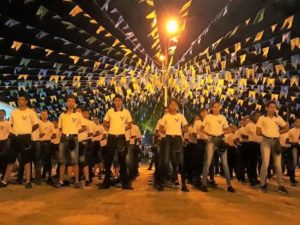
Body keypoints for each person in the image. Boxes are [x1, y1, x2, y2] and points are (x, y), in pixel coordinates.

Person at [0, 94, 39, 188]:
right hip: (15, 137)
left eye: (22, 100)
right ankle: (5, 181)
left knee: (27, 159)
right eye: (18, 99)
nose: (19, 101)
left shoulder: (31, 112)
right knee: (11, 159)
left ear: (26, 101)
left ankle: (28, 181)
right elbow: (11, 124)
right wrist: (15, 131)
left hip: (26, 137)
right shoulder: (14, 112)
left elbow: (36, 124)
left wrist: (28, 131)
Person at [200, 101, 235, 193]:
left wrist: (227, 131)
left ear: (220, 107)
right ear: (211, 108)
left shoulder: (222, 117)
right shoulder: (208, 117)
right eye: (214, 107)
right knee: (208, 162)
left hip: (220, 140)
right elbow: (201, 129)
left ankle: (229, 185)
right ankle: (204, 184)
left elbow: (226, 129)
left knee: (225, 163)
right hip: (211, 140)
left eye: (218, 107)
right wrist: (208, 134)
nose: (216, 108)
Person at [101, 94, 133, 190]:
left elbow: (130, 124)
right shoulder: (110, 111)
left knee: (122, 160)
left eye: (119, 100)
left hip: (121, 138)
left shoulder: (126, 112)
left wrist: (122, 128)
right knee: (108, 160)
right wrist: (110, 127)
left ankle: (125, 184)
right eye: (116, 100)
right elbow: (104, 122)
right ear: (114, 102)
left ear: (122, 101)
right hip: (111, 137)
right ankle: (106, 182)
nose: (117, 102)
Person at [256, 101, 289, 193]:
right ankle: (262, 184)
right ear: (267, 108)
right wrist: (267, 134)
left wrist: (278, 133)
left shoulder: (278, 118)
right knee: (265, 163)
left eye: (274, 107)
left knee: (278, 165)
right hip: (265, 141)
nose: (272, 108)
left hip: (276, 142)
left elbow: (286, 127)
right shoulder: (262, 118)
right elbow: (257, 131)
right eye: (270, 106)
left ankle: (281, 186)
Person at [54, 95, 85, 189]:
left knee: (75, 161)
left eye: (72, 101)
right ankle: (61, 181)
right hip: (63, 138)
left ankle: (76, 181)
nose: (70, 103)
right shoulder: (62, 115)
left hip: (73, 139)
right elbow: (59, 128)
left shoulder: (78, 115)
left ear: (74, 103)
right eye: (69, 101)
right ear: (66, 103)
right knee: (62, 161)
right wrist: (58, 139)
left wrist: (75, 133)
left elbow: (84, 127)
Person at [158, 99, 189, 192]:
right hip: (167, 138)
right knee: (165, 161)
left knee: (180, 162)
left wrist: (179, 131)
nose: (173, 106)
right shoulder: (166, 116)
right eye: (171, 104)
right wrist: (166, 131)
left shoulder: (181, 116)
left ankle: (183, 184)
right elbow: (160, 127)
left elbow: (186, 127)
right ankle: (161, 183)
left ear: (177, 106)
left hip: (178, 139)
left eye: (175, 104)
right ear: (169, 106)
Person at [76, 108, 94, 186]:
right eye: (76, 111)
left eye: (79, 111)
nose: (77, 113)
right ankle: (78, 178)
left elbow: (91, 133)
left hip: (84, 143)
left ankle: (87, 178)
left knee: (85, 161)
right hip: (75, 143)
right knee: (77, 161)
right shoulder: (73, 122)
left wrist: (83, 136)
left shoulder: (88, 122)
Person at [38, 110, 56, 184]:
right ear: (40, 115)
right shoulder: (38, 123)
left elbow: (54, 134)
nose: (44, 116)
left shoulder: (50, 124)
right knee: (39, 160)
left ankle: (48, 176)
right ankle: (40, 175)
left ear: (47, 115)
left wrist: (51, 136)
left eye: (45, 114)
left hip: (47, 143)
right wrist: (40, 135)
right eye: (42, 114)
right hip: (39, 142)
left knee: (48, 160)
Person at [244, 112, 261, 186]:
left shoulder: (260, 125)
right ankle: (251, 179)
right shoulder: (249, 125)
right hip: (251, 144)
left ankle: (255, 177)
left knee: (256, 163)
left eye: (259, 116)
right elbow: (244, 135)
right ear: (253, 117)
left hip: (259, 145)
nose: (257, 118)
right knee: (251, 163)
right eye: (256, 116)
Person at [285, 117, 300, 186]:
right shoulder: (291, 131)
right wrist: (290, 146)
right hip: (293, 148)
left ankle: (292, 178)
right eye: (297, 121)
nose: (298, 123)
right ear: (294, 123)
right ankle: (292, 178)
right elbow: (286, 143)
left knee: (295, 163)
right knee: (293, 163)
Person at [0, 110, 11, 178]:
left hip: (4, 142)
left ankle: (3, 175)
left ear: (5, 114)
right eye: (0, 113)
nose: (1, 114)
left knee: (4, 159)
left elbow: (10, 132)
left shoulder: (7, 123)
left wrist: (7, 141)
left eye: (2, 113)